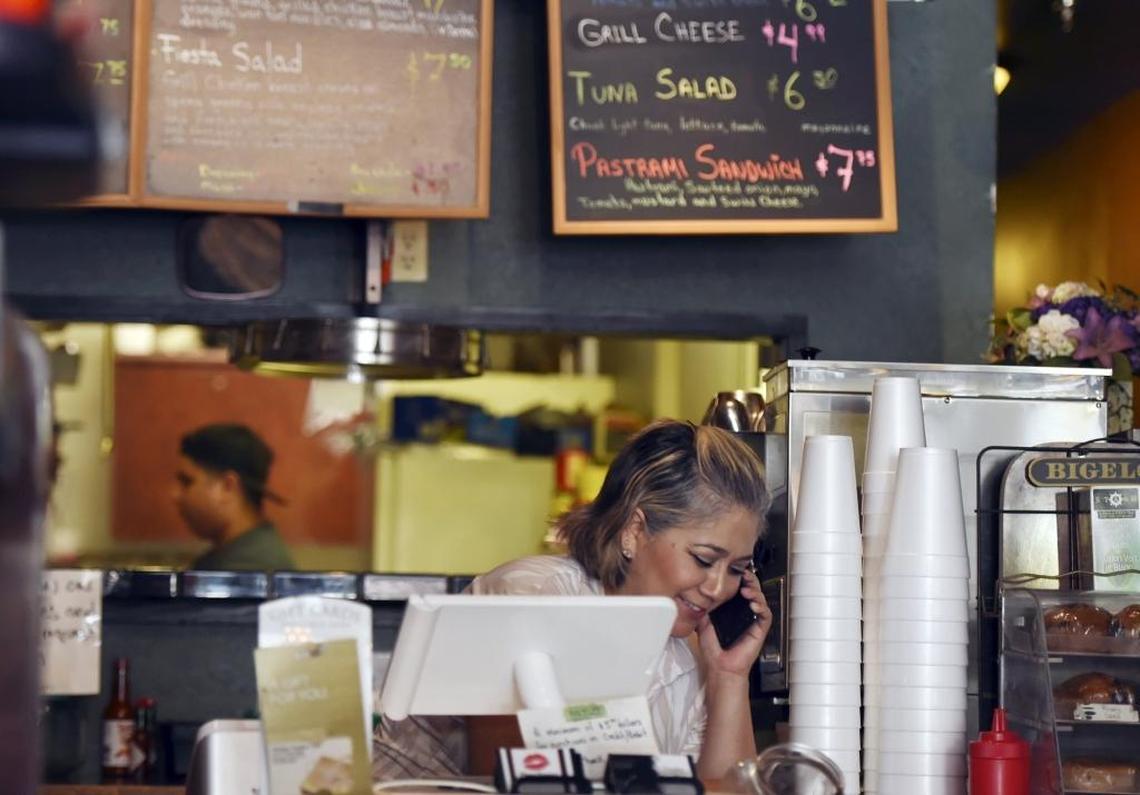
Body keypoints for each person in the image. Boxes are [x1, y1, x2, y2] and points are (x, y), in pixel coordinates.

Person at [374, 419, 771, 781]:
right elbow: (524, 783)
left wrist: (728, 678)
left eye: (737, 569)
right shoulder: (531, 597)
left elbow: (729, 790)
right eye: (704, 559)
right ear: (634, 531)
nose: (718, 588)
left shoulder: (688, 656)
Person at [173, 423, 294, 571]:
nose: (175, 495)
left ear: (227, 487)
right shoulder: (236, 557)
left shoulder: (248, 572)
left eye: (187, 482)